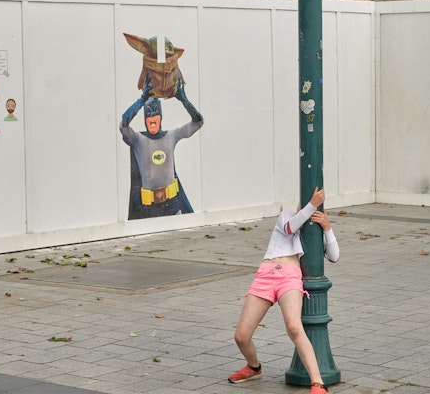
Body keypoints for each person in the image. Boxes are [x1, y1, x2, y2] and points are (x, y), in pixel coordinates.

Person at [229, 186, 338, 393]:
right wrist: (311, 205)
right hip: (266, 274)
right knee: (241, 336)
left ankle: (317, 384)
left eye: (314, 206)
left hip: (290, 278)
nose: (308, 208)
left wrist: (327, 228)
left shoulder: (315, 231)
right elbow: (290, 228)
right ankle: (254, 367)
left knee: (294, 328)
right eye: (306, 203)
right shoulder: (287, 217)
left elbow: (334, 256)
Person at [119, 76, 204, 218]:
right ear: (145, 119)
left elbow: (198, 122)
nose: (152, 116)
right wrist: (141, 100)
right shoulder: (138, 139)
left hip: (173, 205)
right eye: (149, 113)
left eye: (155, 113)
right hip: (148, 209)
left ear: (161, 117)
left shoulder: (171, 136)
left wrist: (184, 100)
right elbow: (123, 125)